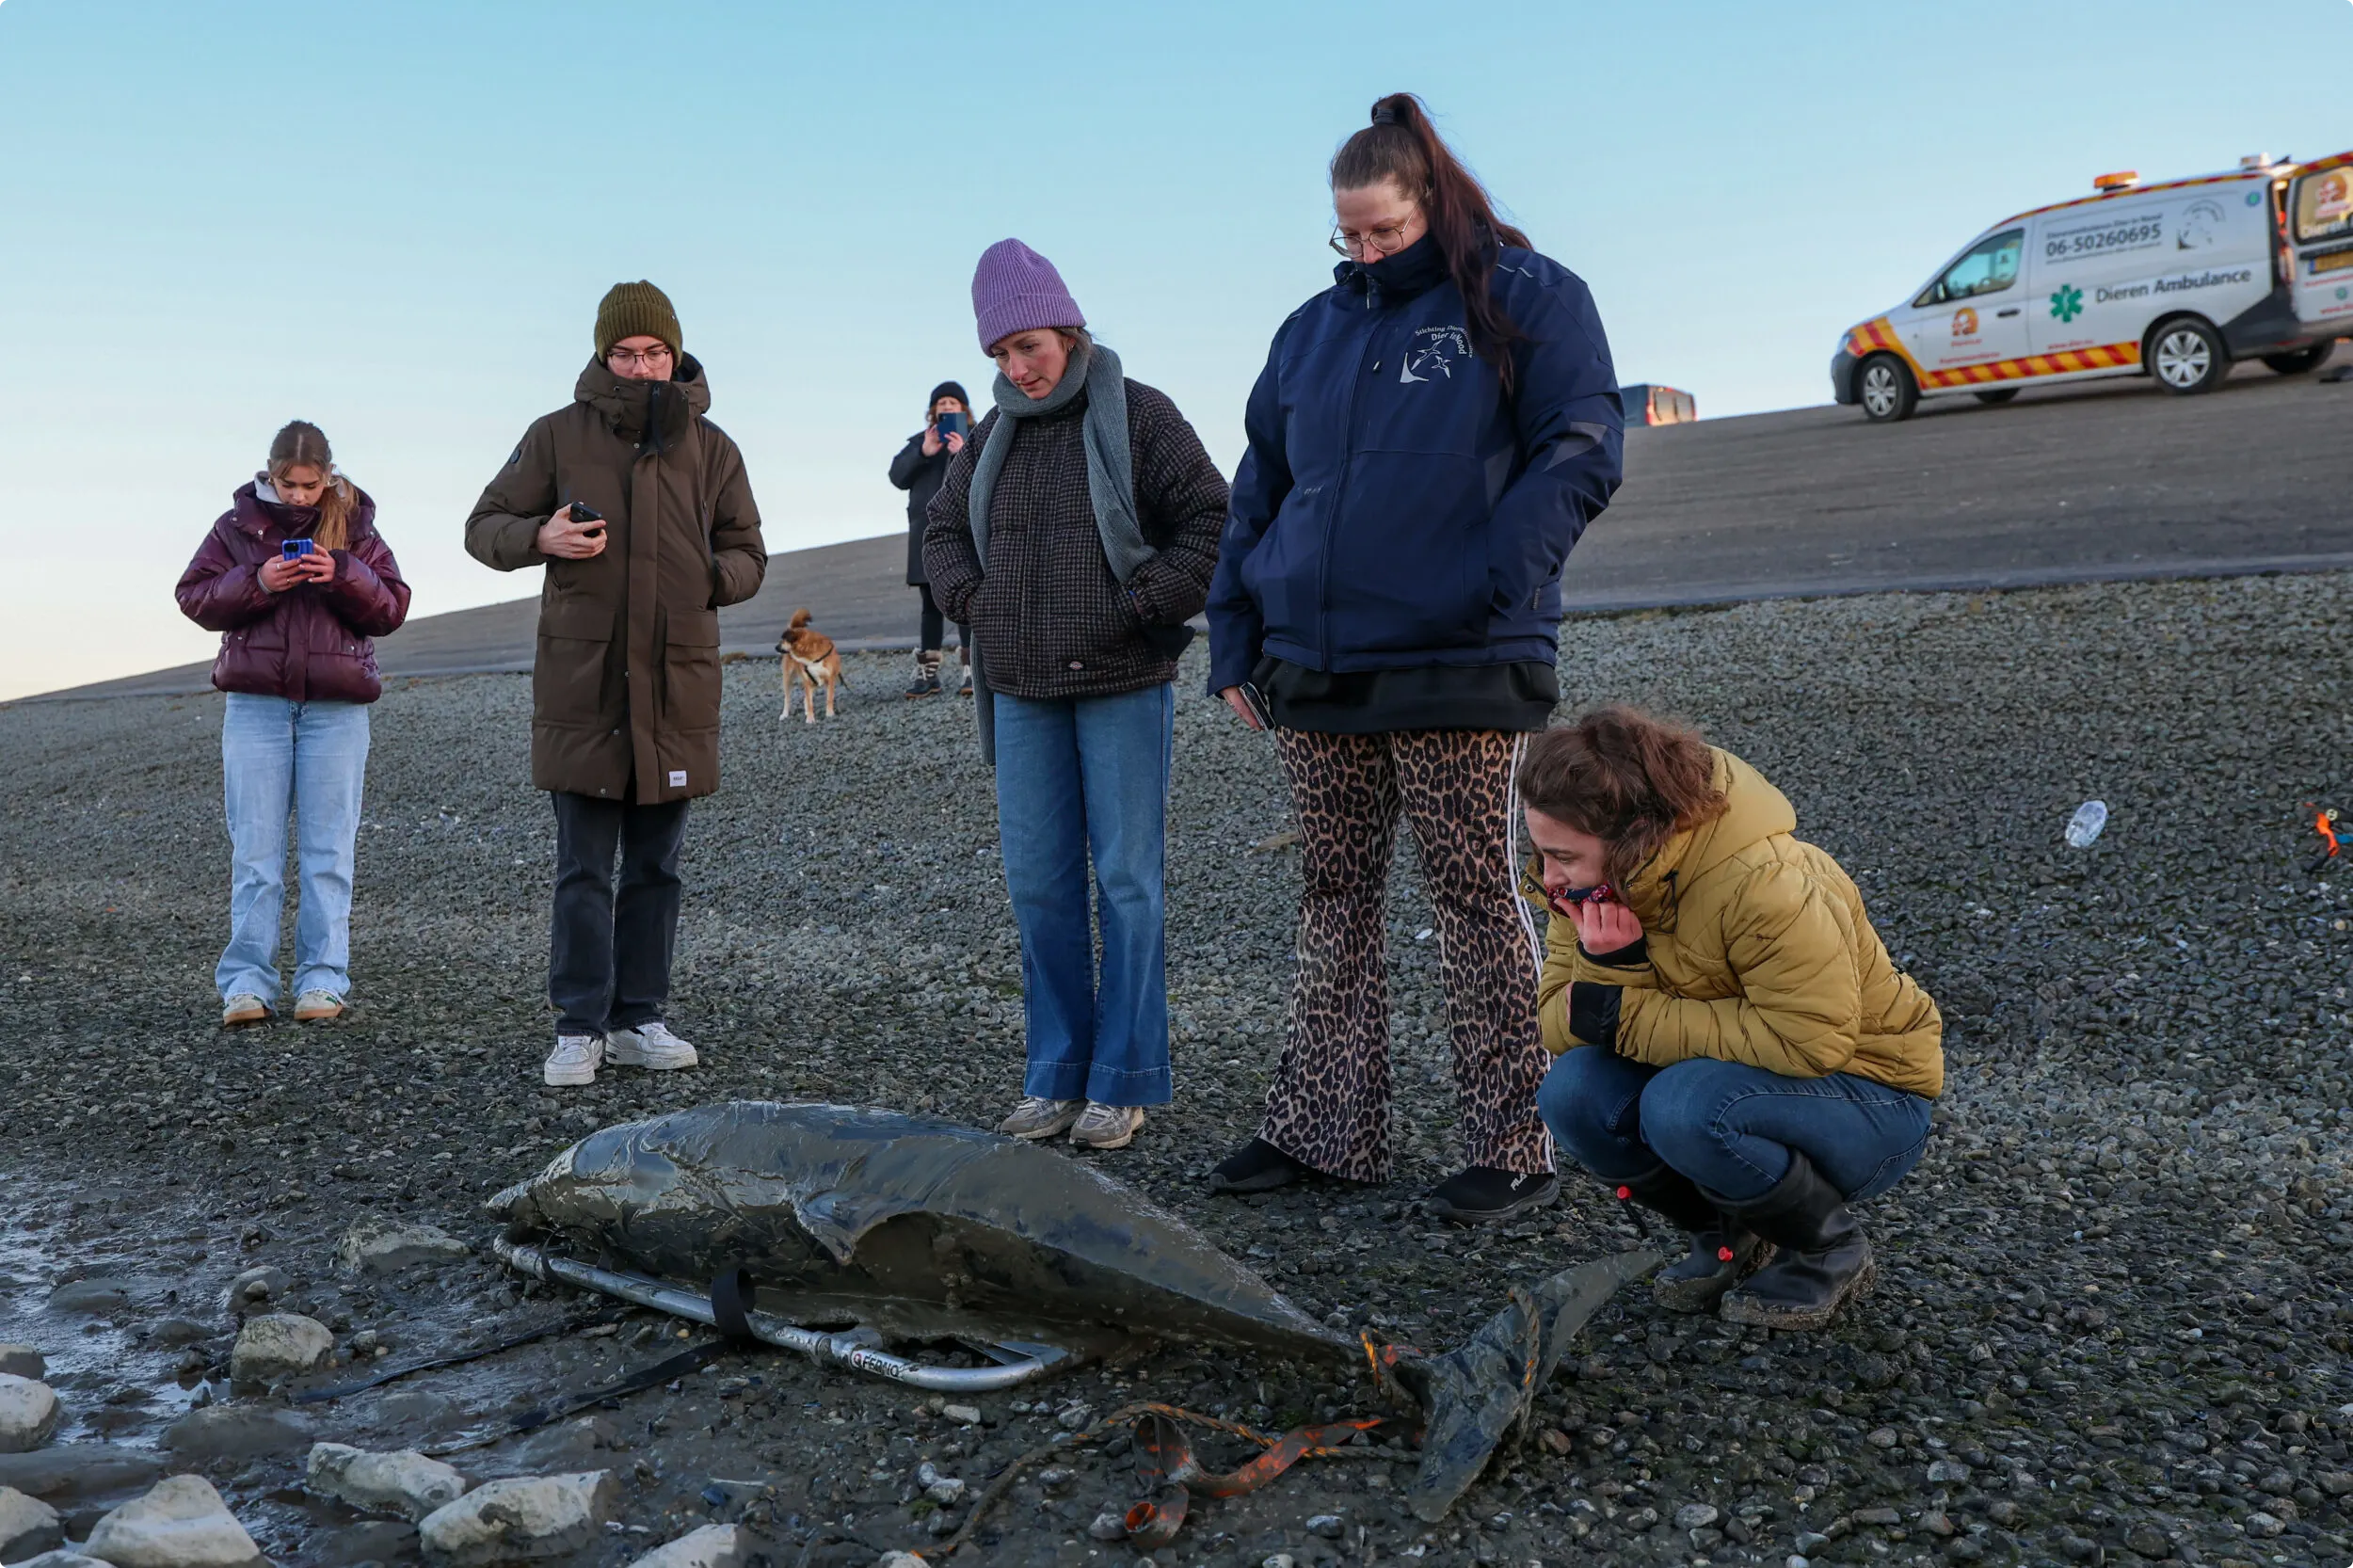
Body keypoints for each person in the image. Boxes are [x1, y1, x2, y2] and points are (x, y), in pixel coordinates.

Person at [1203, 92, 1624, 1223]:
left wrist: (1494, 582)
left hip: (1462, 658)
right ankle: (1323, 1130)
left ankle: (1511, 1138)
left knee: (1477, 893)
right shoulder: (1309, 331)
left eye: (1384, 229)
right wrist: (1235, 637)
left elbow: (1580, 449)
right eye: (1349, 235)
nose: (1367, 250)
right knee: (1332, 893)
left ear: (1428, 200)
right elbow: (1259, 491)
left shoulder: (1528, 297)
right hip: (1316, 666)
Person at [924, 239, 1227, 1151]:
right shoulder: (985, 442)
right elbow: (942, 535)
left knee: (1127, 882)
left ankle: (1124, 1078)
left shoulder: (1139, 414)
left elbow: (1210, 519)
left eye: (1030, 345)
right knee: (1039, 888)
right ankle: (1054, 1073)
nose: (1018, 367)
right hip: (1020, 689)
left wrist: (1140, 605)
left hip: (1122, 678)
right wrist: (978, 605)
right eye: (1001, 355)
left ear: (1066, 326)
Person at [1521, 707, 1943, 1330]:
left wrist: (1624, 1011)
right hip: (1735, 1079)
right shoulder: (1592, 886)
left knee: (1681, 1103)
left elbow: (1808, 1042)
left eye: (1563, 856)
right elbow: (1560, 1027)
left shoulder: (1767, 883)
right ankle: (1731, 1239)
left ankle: (1829, 1248)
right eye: (1541, 852)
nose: (1549, 878)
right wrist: (1612, 959)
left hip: (1871, 1100)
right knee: (1572, 1091)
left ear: (1636, 837)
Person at [464, 280, 767, 1089]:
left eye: (654, 353)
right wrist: (541, 534)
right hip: (585, 685)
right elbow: (482, 528)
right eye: (625, 354)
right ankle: (578, 1028)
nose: (640, 368)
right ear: (603, 356)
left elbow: (749, 553)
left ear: (675, 355)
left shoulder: (714, 448)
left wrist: (708, 576)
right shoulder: (556, 435)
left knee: (658, 868)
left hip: (675, 684)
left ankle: (641, 1019)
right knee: (584, 867)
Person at [175, 421, 411, 1028]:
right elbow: (193, 596)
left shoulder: (356, 526)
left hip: (337, 709)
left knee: (328, 852)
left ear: (328, 475)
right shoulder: (236, 527)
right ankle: (247, 986)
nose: (302, 495)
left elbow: (392, 607)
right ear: (270, 474)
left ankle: (323, 982)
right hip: (256, 706)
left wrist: (343, 574)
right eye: (290, 483)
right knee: (255, 852)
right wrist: (257, 582)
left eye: (311, 484)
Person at [889, 382, 976, 697]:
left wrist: (963, 453)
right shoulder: (919, 443)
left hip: (966, 532)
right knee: (930, 603)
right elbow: (897, 477)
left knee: (967, 597)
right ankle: (928, 674)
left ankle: (973, 670)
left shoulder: (979, 439)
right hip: (927, 533)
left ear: (964, 410)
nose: (947, 407)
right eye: (942, 403)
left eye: (954, 402)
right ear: (933, 411)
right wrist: (923, 453)